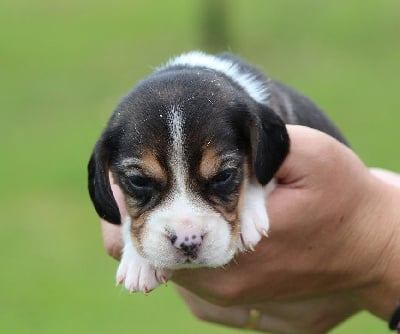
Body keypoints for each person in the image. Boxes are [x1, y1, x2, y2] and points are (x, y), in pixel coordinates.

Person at [100, 125, 400, 334]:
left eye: (222, 178)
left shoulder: (255, 126)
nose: (187, 236)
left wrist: (381, 253)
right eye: (141, 182)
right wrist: (133, 233)